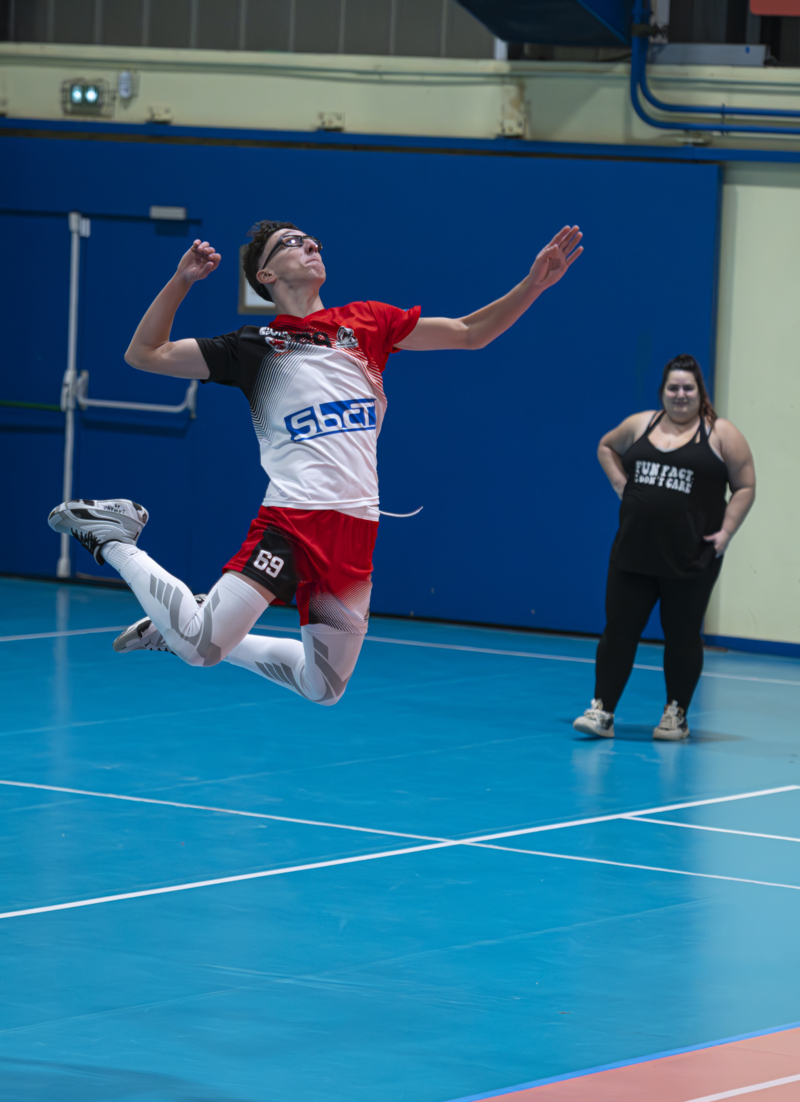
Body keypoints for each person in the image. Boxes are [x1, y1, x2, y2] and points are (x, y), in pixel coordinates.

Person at [48, 219, 583, 706]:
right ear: (265, 274)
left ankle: (188, 623)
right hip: (292, 521)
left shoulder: (368, 322)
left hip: (356, 529)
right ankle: (114, 536)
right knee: (200, 649)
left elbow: (470, 333)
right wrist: (182, 280)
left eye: (313, 241)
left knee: (323, 687)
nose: (310, 246)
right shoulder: (252, 347)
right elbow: (144, 354)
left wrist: (532, 285)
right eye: (292, 243)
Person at [573, 354, 755, 741]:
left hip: (691, 558)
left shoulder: (721, 434)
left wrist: (726, 532)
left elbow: (745, 486)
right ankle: (602, 710)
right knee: (619, 631)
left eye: (688, 387)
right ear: (663, 391)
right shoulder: (641, 424)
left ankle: (676, 715)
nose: (680, 394)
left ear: (700, 391)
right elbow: (606, 447)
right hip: (633, 553)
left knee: (682, 635)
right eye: (674, 387)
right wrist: (622, 485)